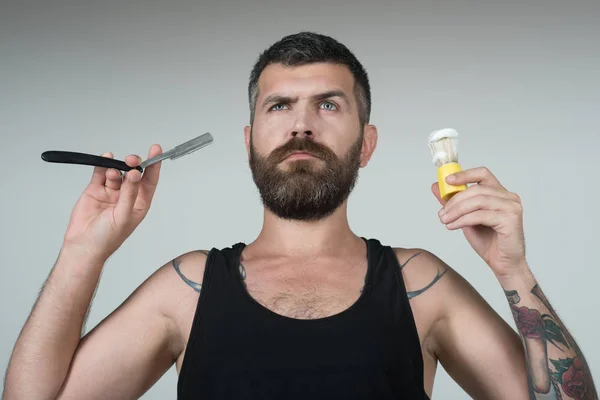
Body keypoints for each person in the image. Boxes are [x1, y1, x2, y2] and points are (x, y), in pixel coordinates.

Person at [3, 32, 597, 400]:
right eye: (279, 105)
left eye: (328, 105)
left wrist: (513, 270)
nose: (301, 124)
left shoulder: (421, 286)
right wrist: (83, 253)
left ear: (365, 144)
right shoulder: (186, 289)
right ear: (250, 139)